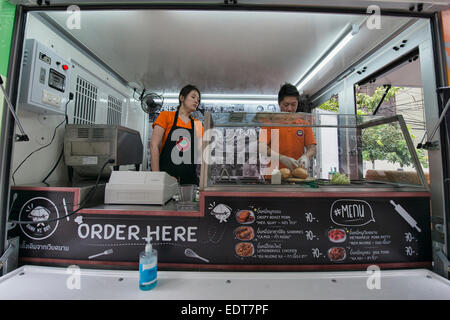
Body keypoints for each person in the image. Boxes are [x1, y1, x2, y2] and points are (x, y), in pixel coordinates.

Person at [150, 84, 203, 185]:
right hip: (167, 179)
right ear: (182, 98)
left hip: (190, 181)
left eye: (198, 99)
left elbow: (200, 154)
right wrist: (157, 178)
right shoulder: (166, 116)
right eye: (193, 97)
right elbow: (154, 145)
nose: (196, 101)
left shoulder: (198, 125)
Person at [259, 83, 316, 172]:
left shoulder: (304, 123)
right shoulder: (269, 122)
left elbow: (312, 148)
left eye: (293, 105)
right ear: (279, 103)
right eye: (286, 105)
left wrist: (306, 156)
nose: (290, 109)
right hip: (274, 176)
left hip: (297, 174)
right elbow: (261, 147)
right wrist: (281, 158)